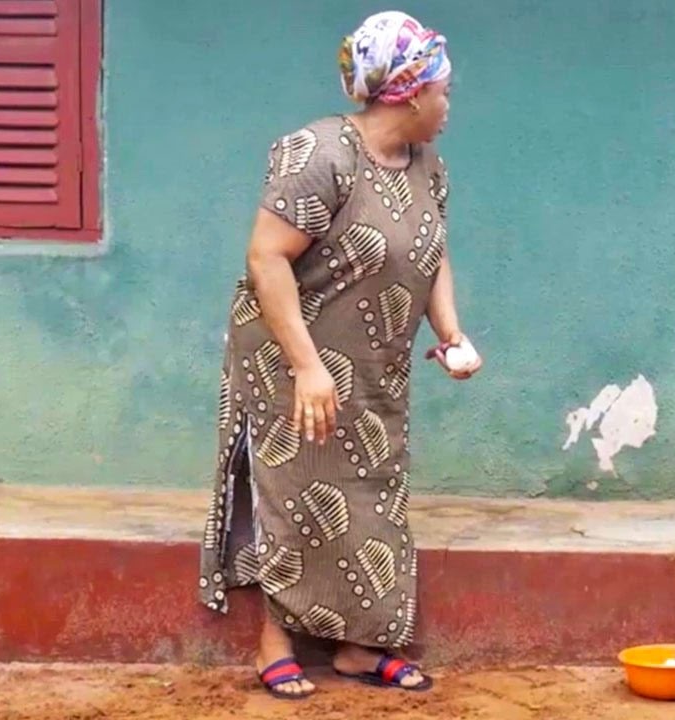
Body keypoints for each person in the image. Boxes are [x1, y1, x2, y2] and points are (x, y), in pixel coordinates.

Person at [197, 11, 481, 700]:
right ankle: (276, 641)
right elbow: (266, 259)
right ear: (409, 94)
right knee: (292, 485)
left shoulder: (426, 165)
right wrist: (306, 366)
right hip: (290, 356)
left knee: (374, 488)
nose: (450, 103)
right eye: (444, 89)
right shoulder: (318, 154)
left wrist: (450, 333)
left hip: (375, 358)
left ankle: (360, 647)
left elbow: (430, 254)